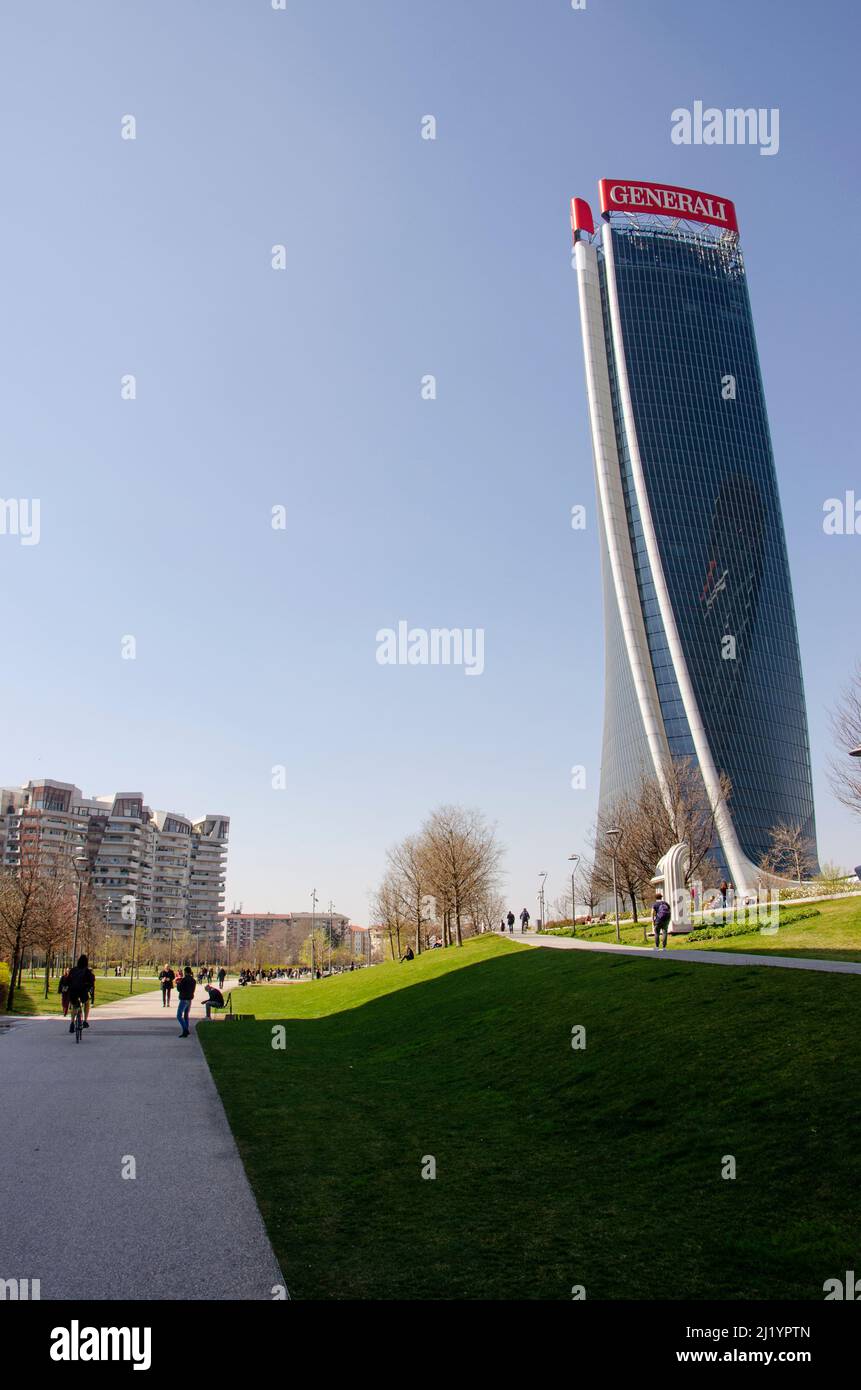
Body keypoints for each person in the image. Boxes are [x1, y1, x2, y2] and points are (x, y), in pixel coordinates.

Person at [66, 954, 96, 1033]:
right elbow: (92, 981)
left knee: (74, 1006)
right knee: (86, 1003)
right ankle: (85, 1021)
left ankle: (72, 1023)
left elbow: (68, 980)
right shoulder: (87, 971)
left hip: (73, 991)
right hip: (82, 991)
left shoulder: (73, 970)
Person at [176, 965, 196, 1037]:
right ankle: (186, 1029)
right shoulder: (193, 980)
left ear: (185, 972)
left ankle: (185, 1030)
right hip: (189, 999)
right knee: (186, 1015)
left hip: (184, 999)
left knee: (179, 1015)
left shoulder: (184, 980)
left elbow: (179, 989)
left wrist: (178, 983)